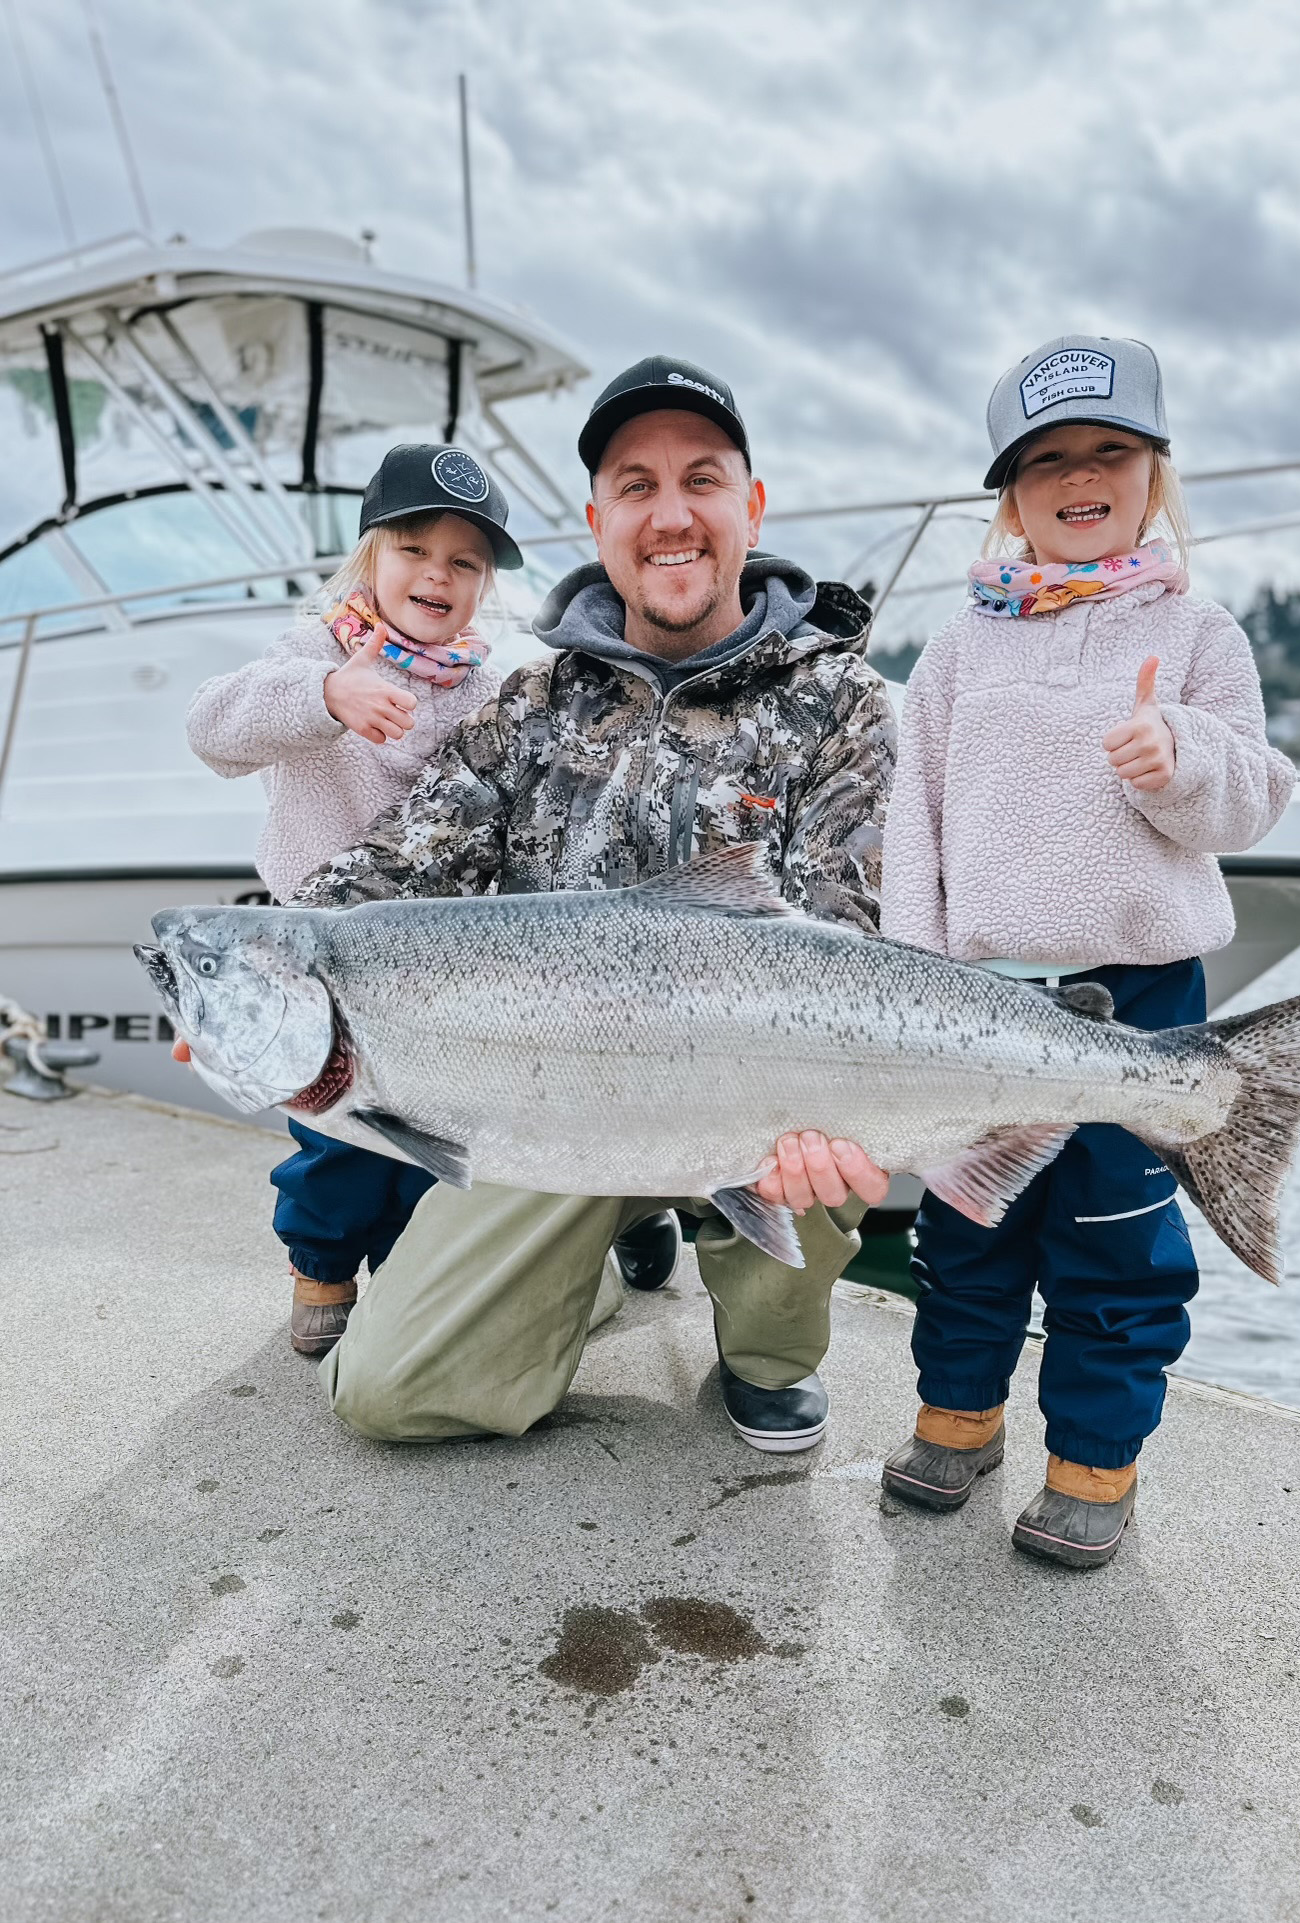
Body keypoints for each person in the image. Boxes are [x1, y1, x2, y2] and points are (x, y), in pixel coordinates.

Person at [288, 357, 896, 1452]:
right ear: (598, 519)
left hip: (755, 1092)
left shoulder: (841, 700)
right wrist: (275, 986)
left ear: (749, 507)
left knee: (833, 1107)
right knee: (383, 1396)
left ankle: (764, 1354)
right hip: (548, 1106)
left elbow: (842, 931)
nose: (670, 515)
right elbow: (389, 872)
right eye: (634, 485)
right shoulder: (524, 702)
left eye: (700, 480)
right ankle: (595, 1270)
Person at [879, 334, 1295, 1567]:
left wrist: (1181, 763)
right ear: (1008, 495)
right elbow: (916, 819)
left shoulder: (1200, 631)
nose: (1078, 476)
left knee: (1116, 1253)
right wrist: (909, 972)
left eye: (1107, 450)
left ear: (1153, 470)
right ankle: (956, 1419)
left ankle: (1092, 1468)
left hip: (1138, 996)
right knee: (962, 1236)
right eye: (1046, 459)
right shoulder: (955, 649)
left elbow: (1252, 796)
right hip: (970, 1000)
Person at [185, 446, 514, 1354]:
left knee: (421, 1142)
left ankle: (408, 1275)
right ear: (370, 553)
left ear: (484, 585)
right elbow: (212, 727)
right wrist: (329, 693)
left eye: (465, 562)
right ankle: (320, 1270)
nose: (436, 576)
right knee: (332, 1144)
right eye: (414, 548)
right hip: (318, 975)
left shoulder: (483, 692)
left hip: (433, 979)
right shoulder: (317, 651)